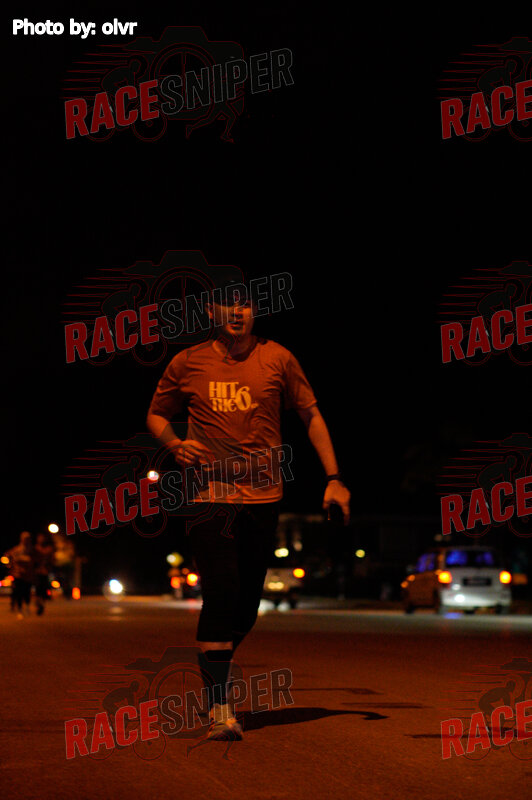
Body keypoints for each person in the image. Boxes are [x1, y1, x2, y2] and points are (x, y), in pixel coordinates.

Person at [147, 274, 350, 740]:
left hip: (264, 496)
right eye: (227, 305)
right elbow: (156, 414)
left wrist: (335, 478)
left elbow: (311, 415)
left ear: (255, 311)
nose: (237, 312)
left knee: (246, 609)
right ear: (211, 312)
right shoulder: (188, 361)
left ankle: (212, 660)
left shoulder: (278, 358)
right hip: (209, 496)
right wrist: (175, 444)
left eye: (245, 305)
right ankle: (221, 708)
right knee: (221, 591)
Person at [5, 531, 35, 619]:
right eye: (25, 539)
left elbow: (35, 559)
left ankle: (27, 606)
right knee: (19, 591)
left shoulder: (32, 550)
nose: (26, 540)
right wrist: (10, 564)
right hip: (18, 574)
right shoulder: (17, 549)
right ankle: (20, 609)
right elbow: (8, 556)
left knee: (27, 591)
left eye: (28, 539)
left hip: (28, 575)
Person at [34, 532, 55, 616]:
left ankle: (42, 603)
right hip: (37, 572)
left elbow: (52, 559)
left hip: (45, 572)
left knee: (44, 588)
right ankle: (38, 603)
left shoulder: (49, 549)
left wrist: (48, 567)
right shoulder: (35, 548)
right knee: (38, 589)